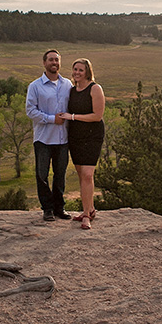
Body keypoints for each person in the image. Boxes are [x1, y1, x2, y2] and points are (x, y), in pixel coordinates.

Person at [26, 49, 73, 222]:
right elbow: (30, 111)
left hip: (62, 139)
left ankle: (60, 208)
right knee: (42, 175)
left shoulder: (67, 84)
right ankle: (47, 209)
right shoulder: (35, 86)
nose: (54, 63)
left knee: (60, 175)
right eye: (51, 60)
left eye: (57, 60)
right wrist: (52, 119)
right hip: (43, 139)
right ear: (44, 63)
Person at [58, 58, 105, 230]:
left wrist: (73, 117)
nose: (77, 73)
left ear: (87, 72)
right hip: (75, 135)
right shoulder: (72, 90)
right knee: (81, 175)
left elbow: (97, 116)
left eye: (81, 70)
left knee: (87, 174)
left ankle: (86, 216)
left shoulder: (95, 88)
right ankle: (90, 209)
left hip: (92, 136)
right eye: (75, 69)